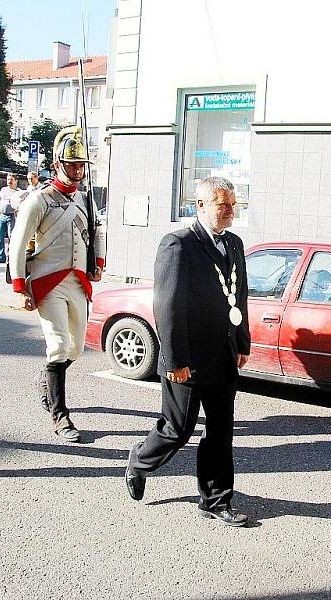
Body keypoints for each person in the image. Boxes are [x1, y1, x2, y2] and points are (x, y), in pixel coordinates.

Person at [125, 176, 251, 527]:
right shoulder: (179, 244)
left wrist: (242, 341)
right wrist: (174, 360)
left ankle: (215, 499)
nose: (229, 211)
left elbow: (239, 296)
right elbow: (167, 306)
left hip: (223, 353)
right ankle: (139, 461)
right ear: (201, 206)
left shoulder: (234, 243)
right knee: (178, 428)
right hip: (189, 357)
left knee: (221, 429)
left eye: (232, 204)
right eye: (222, 205)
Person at [8, 127, 105, 442]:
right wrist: (20, 284)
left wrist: (99, 262)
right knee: (59, 346)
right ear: (57, 165)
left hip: (77, 280)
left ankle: (46, 379)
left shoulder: (86, 200)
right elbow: (19, 243)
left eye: (80, 166)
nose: (77, 171)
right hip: (48, 281)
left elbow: (96, 233)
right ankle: (60, 416)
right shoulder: (39, 200)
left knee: (75, 347)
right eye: (71, 164)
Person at [0, 173, 19, 263]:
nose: (9, 181)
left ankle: (10, 256)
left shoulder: (17, 192)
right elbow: (0, 203)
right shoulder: (3, 190)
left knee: (11, 237)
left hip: (11, 216)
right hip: (2, 216)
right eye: (8, 179)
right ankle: (1, 256)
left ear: (16, 181)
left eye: (11, 179)